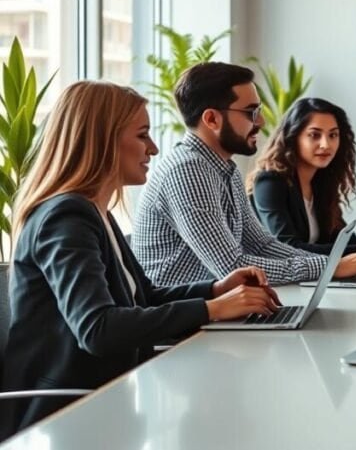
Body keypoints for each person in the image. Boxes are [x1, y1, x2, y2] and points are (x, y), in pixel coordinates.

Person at [1, 81, 281, 436]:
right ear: (102, 140)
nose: (153, 147)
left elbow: (144, 298)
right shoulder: (66, 218)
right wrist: (212, 309)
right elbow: (97, 329)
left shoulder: (97, 212)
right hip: (62, 417)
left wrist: (215, 290)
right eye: (142, 135)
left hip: (108, 398)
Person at [133, 63, 356, 286]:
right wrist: (330, 267)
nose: (262, 122)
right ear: (211, 119)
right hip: (186, 316)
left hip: (216, 306)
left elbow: (263, 245)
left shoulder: (224, 168)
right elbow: (233, 268)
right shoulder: (188, 170)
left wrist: (334, 264)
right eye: (251, 112)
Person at [247, 98, 356, 258]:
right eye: (314, 135)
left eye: (333, 135)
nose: (326, 144)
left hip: (313, 273)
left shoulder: (321, 182)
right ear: (293, 137)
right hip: (272, 273)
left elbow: (341, 238)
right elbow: (287, 248)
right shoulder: (270, 182)